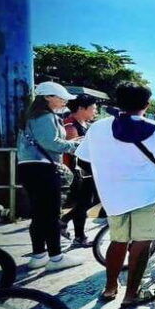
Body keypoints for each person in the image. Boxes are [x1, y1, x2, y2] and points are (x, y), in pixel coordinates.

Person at [75, 82, 155, 306]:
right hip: (149, 194)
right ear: (146, 104)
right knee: (142, 242)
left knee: (118, 241)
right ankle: (132, 293)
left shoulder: (97, 128)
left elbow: (83, 161)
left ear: (118, 101)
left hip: (113, 196)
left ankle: (110, 287)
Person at [16, 82, 85, 271]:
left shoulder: (31, 116)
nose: (64, 101)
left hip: (28, 168)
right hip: (44, 169)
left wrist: (68, 143)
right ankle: (56, 258)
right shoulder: (46, 116)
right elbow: (51, 143)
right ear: (47, 97)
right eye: (61, 97)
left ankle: (39, 255)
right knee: (52, 213)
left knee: (39, 214)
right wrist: (74, 145)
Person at [60, 94, 99, 247]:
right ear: (82, 108)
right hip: (77, 172)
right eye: (93, 108)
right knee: (84, 203)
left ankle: (67, 225)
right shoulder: (70, 126)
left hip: (86, 171)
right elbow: (71, 150)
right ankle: (78, 235)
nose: (95, 111)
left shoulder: (84, 124)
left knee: (86, 203)